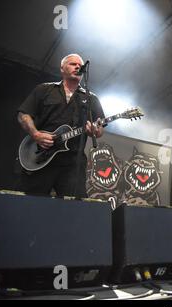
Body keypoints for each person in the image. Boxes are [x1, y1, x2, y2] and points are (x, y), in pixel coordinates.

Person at [16, 53, 104, 198]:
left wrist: (95, 130)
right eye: (72, 64)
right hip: (40, 157)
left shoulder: (91, 98)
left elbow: (99, 129)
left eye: (80, 65)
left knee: (75, 209)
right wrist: (36, 135)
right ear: (62, 69)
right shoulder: (44, 89)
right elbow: (23, 114)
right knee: (31, 203)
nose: (77, 67)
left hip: (72, 163)